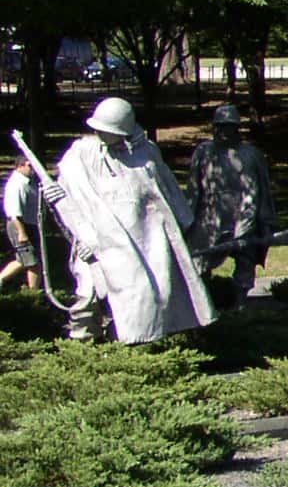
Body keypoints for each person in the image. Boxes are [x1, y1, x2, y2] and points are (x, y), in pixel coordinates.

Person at [45, 97, 213, 342]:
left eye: (109, 131)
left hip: (144, 240)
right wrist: (56, 197)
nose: (101, 134)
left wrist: (182, 226)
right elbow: (71, 196)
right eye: (99, 129)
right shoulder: (81, 153)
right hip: (98, 240)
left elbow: (165, 193)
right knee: (88, 294)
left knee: (150, 294)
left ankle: (139, 344)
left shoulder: (145, 154)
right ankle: (82, 347)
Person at [187, 103, 278, 308]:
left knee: (245, 263)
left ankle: (240, 305)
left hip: (243, 221)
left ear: (237, 128)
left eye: (229, 126)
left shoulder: (250, 155)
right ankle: (203, 306)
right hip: (208, 221)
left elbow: (255, 193)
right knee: (199, 265)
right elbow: (194, 189)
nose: (224, 131)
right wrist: (187, 221)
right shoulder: (204, 152)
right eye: (220, 126)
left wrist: (246, 228)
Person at [2, 158, 43, 295]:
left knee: (22, 260)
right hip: (20, 226)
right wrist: (21, 232)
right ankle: (33, 294)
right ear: (19, 166)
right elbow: (14, 213)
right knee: (33, 262)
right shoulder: (16, 185)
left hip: (31, 225)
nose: (33, 168)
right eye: (29, 165)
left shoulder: (30, 182)